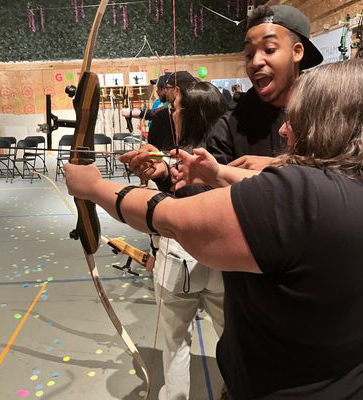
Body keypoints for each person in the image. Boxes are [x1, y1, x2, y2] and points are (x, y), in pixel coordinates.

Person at [65, 58, 363, 399]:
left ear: (327, 122)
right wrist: (217, 174)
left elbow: (173, 218)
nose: (283, 130)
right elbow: (274, 189)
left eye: (295, 119)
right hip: (342, 379)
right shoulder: (348, 183)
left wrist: (93, 187)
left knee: (176, 340)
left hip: (284, 389)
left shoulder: (303, 195)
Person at [126, 81, 228, 400]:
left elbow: (175, 204)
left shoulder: (199, 162)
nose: (172, 113)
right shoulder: (227, 157)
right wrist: (159, 173)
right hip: (223, 261)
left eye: (176, 108)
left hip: (179, 259)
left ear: (192, 114)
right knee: (232, 338)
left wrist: (158, 178)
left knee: (175, 342)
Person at [207, 4, 323, 170]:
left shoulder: (328, 114)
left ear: (297, 52)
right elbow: (212, 178)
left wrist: (281, 166)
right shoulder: (230, 125)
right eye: (249, 54)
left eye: (269, 49)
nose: (255, 62)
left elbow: (347, 172)